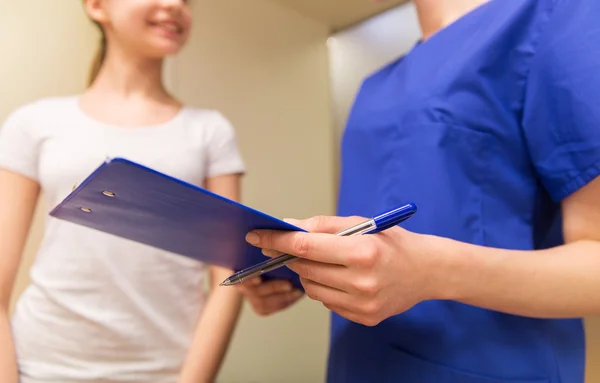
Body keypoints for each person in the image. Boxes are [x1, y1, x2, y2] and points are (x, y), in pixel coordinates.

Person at [237, 0, 600, 382]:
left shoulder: (555, 16)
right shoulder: (374, 85)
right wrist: (300, 270)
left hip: (487, 364)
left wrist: (433, 272)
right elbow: (382, 244)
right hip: (357, 361)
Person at [0, 1, 292, 382]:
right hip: (41, 365)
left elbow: (227, 280)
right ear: (96, 6)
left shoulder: (209, 131)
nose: (175, 5)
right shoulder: (34, 122)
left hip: (166, 371)